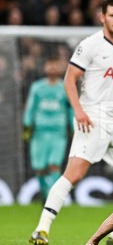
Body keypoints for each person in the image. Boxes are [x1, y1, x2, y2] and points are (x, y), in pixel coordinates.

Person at [29, 0, 113, 245]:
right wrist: (79, 111)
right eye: (112, 15)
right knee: (75, 173)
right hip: (91, 117)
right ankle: (41, 228)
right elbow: (69, 80)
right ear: (102, 17)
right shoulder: (90, 45)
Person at [23, 58, 72, 202]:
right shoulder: (37, 87)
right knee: (40, 167)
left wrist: (74, 127)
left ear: (59, 69)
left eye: (55, 65)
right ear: (44, 68)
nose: (52, 68)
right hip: (40, 132)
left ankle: (53, 197)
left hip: (58, 132)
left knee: (54, 164)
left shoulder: (65, 87)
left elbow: (70, 109)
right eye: (49, 65)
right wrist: (27, 124)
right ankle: (45, 193)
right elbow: (30, 107)